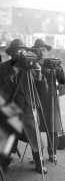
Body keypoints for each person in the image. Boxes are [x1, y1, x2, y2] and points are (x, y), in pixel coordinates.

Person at [0, 39, 48, 173]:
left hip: (28, 106)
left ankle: (39, 162)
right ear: (11, 53)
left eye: (23, 50)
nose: (20, 53)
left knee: (34, 136)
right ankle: (4, 161)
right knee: (9, 135)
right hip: (10, 107)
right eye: (17, 51)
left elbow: (43, 91)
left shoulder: (31, 66)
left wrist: (39, 74)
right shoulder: (3, 68)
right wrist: (13, 73)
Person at [32, 39, 65, 164]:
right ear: (35, 51)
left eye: (44, 50)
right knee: (35, 127)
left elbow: (63, 81)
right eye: (39, 50)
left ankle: (52, 153)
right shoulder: (32, 63)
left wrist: (59, 68)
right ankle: (37, 155)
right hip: (38, 98)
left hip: (52, 99)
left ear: (47, 52)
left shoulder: (52, 63)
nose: (42, 52)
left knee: (53, 127)